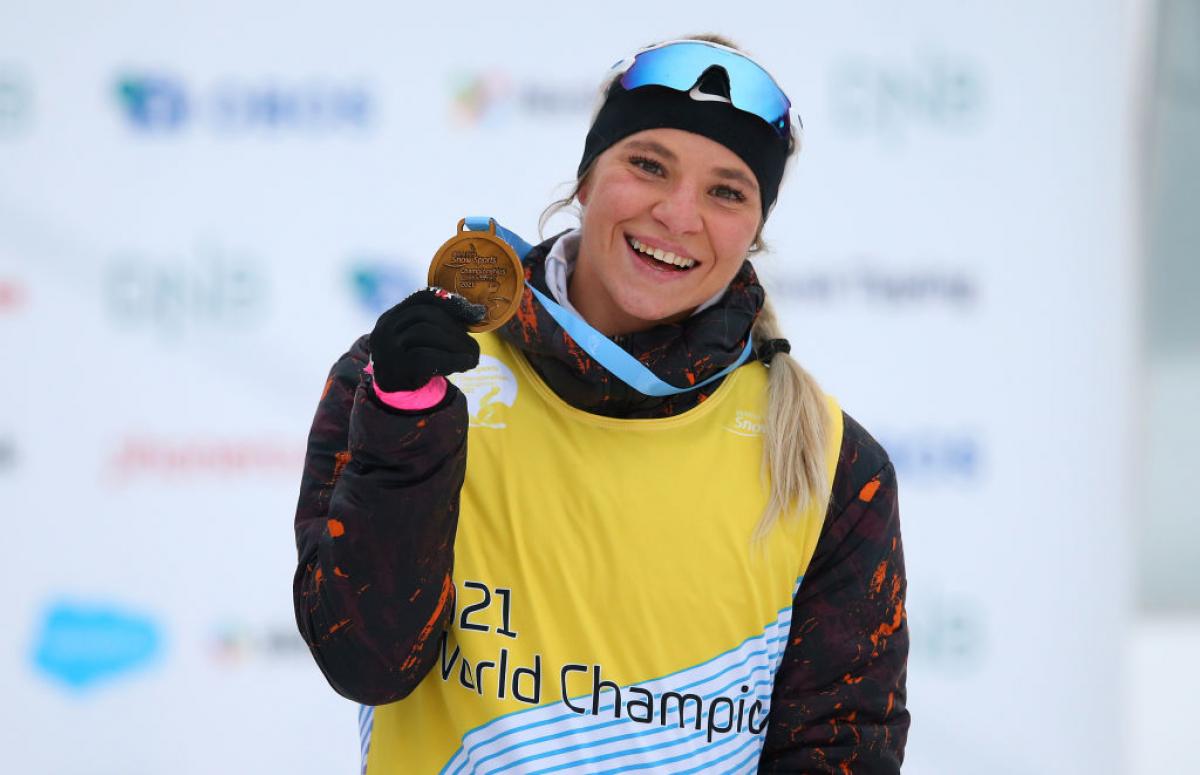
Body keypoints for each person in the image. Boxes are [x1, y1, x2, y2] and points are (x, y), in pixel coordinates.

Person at [293, 34, 909, 774]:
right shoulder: (416, 379)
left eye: (726, 190)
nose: (679, 214)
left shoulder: (827, 458)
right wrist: (401, 424)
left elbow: (840, 748)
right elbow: (369, 661)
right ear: (586, 180)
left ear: (755, 232)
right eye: (648, 165)